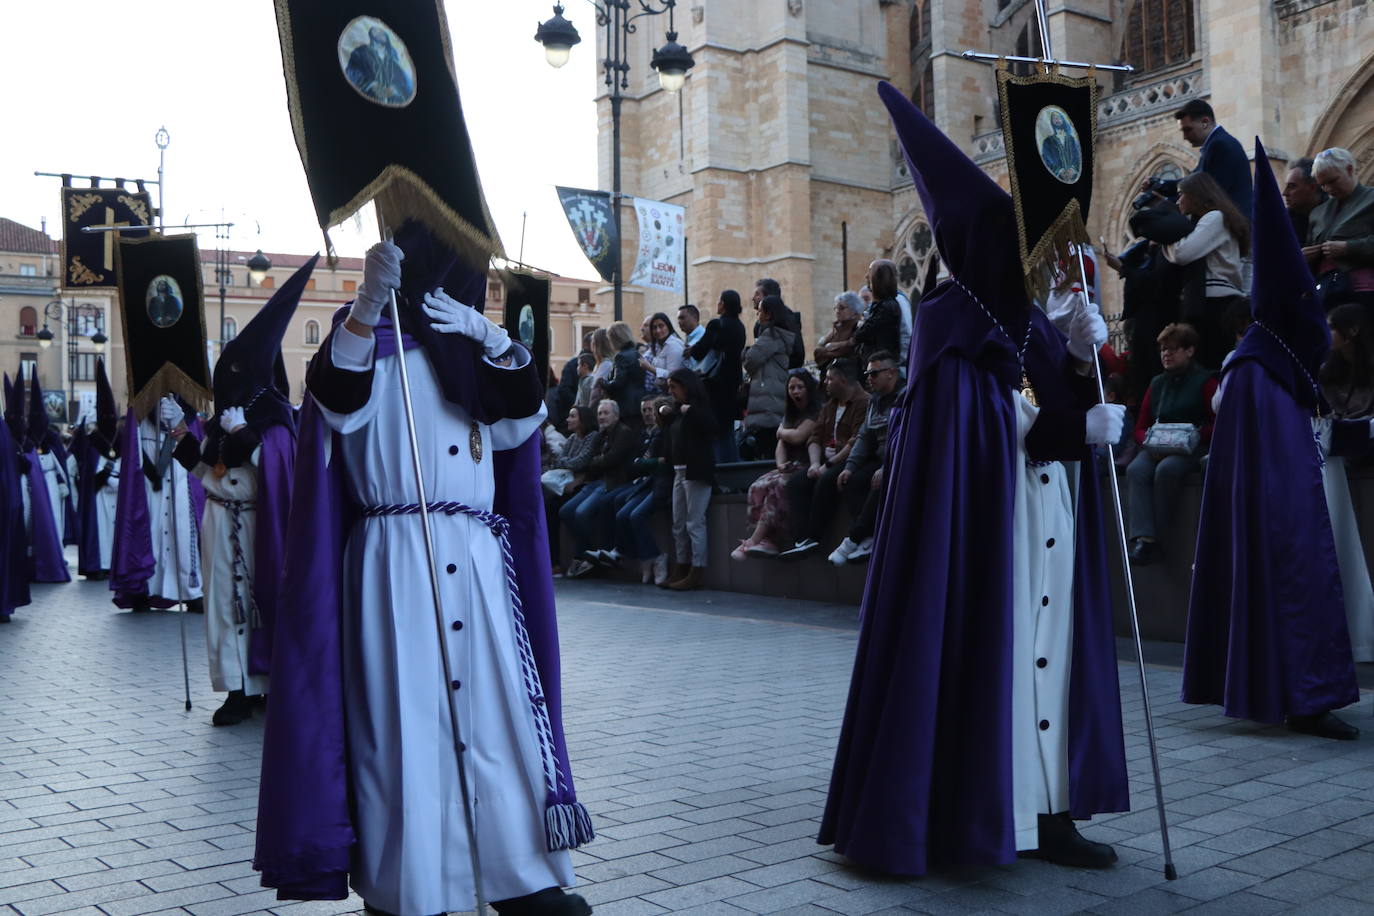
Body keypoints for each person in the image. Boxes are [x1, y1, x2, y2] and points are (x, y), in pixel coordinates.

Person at [821, 83, 1128, 876]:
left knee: (1051, 658)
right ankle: (982, 809)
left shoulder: (1023, 318)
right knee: (1003, 651)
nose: (1038, 260)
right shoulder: (952, 326)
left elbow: (1051, 399)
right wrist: (1070, 423)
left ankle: (1048, 811)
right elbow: (988, 425)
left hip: (1049, 511)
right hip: (1000, 525)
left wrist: (1080, 353)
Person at [254, 227, 592, 915]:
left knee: (498, 723)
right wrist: (365, 309)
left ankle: (517, 873)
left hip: (474, 558)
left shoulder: (472, 356)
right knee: (403, 729)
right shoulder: (365, 346)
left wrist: (495, 340)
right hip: (394, 561)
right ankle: (410, 888)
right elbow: (336, 401)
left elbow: (520, 424)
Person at [1185, 138, 1369, 741]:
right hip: (1282, 531)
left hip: (1278, 519)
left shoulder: (1267, 366)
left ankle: (1289, 687)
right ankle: (1305, 695)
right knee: (1299, 564)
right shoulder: (1258, 375)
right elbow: (1284, 512)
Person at [170, 258, 313, 726]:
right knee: (221, 606)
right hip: (219, 519)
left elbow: (282, 470)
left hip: (259, 522)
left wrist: (249, 436)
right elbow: (210, 471)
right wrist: (182, 438)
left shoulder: (274, 417)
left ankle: (267, 683)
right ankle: (235, 688)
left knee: (260, 601)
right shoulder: (223, 417)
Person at [1124, 323, 1217, 564]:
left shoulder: (1205, 382)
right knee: (1136, 470)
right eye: (1163, 350)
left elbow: (1217, 421)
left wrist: (1195, 436)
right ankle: (1144, 537)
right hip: (1158, 447)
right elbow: (1141, 425)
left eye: (1173, 349)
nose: (1166, 354)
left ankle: (1162, 532)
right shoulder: (1157, 384)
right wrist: (1150, 443)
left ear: (1189, 350)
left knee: (1168, 470)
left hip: (1192, 447)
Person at [110, 393, 203, 610]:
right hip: (148, 486)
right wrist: (151, 471)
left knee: (182, 533)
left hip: (181, 482)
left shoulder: (187, 415)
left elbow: (197, 451)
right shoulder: (140, 415)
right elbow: (133, 453)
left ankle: (191, 591)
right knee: (150, 533)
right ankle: (144, 589)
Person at [1321, 304, 1374, 663]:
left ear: (1352, 331)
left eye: (1332, 328)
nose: (1327, 335)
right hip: (1342, 450)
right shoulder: (1329, 370)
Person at [777, 359, 869, 559]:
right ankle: (802, 540)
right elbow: (815, 436)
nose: (825, 383)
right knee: (796, 483)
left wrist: (828, 464)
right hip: (825, 461)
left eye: (829, 379)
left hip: (850, 460)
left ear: (842, 381)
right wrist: (816, 463)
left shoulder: (864, 402)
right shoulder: (829, 406)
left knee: (827, 480)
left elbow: (855, 442)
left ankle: (814, 536)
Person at [1161, 171, 1251, 370]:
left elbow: (1183, 253)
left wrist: (1165, 240)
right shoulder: (1210, 219)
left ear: (1196, 195)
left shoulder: (1215, 218)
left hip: (1217, 303)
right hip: (1209, 301)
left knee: (1211, 366)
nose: (1178, 200)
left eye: (1181, 194)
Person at [732, 370, 820, 560]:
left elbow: (798, 436)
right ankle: (766, 540)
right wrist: (780, 464)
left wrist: (781, 432)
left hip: (809, 464)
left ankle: (755, 540)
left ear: (809, 389)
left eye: (800, 387)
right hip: (790, 465)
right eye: (791, 387)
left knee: (778, 487)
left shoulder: (816, 411)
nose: (795, 391)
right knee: (757, 486)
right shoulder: (790, 414)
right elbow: (782, 444)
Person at [829, 352, 904, 565]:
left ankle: (853, 539)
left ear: (891, 373)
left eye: (874, 373)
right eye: (867, 373)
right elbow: (864, 436)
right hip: (880, 458)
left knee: (879, 483)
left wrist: (887, 467)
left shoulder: (906, 396)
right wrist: (850, 467)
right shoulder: (874, 401)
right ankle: (870, 537)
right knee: (850, 481)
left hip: (900, 458)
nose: (869, 378)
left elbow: (906, 435)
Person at [560, 399, 639, 579]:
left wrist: (598, 461)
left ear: (616, 415)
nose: (602, 417)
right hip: (594, 482)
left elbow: (609, 460)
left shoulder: (624, 433)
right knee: (566, 511)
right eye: (600, 413)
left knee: (581, 513)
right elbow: (591, 461)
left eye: (606, 413)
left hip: (611, 483)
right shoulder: (600, 435)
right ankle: (591, 551)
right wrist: (598, 461)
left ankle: (585, 556)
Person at [658, 368, 716, 590]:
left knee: (694, 522)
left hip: (695, 471)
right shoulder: (678, 411)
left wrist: (688, 411)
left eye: (674, 387)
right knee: (678, 523)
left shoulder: (698, 409)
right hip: (679, 471)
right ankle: (682, 566)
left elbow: (711, 427)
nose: (671, 392)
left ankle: (697, 570)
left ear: (686, 386)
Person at [1149, 99, 1252, 216]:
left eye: (1188, 130)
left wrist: (1166, 204)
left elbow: (1209, 193)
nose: (1185, 137)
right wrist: (1161, 185)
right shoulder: (1214, 144)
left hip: (1231, 226)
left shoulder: (1219, 145)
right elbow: (1192, 183)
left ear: (1205, 123)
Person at [609, 396, 673, 583]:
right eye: (644, 410)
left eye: (651, 410)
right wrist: (647, 463)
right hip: (647, 483)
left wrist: (645, 463)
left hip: (662, 484)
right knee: (622, 514)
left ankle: (655, 557)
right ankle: (644, 556)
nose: (648, 414)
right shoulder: (646, 434)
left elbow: (663, 463)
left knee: (636, 515)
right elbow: (635, 465)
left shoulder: (665, 432)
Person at [1304, 147, 1374, 313]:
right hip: (1325, 293)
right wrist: (1303, 256)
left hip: (1363, 295)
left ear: (1349, 169)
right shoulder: (1318, 212)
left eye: (1332, 181)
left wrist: (1349, 248)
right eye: (1323, 185)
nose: (1328, 189)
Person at [690, 291, 746, 463]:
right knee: (728, 430)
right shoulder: (740, 326)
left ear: (722, 304)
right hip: (734, 382)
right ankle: (732, 471)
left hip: (715, 383)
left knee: (715, 431)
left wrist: (690, 350)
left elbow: (699, 351)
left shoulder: (716, 324)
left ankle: (721, 472)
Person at [344, 24, 415, 105]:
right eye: (376, 32)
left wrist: (395, 89)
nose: (381, 34)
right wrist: (372, 85)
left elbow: (403, 77)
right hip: (368, 97)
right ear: (371, 35)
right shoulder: (361, 51)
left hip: (394, 100)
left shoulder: (392, 55)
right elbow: (351, 70)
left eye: (382, 32)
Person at [853, 261, 903, 372]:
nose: (866, 276)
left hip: (881, 369)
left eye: (870, 272)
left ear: (880, 277)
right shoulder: (880, 306)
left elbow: (862, 334)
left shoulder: (887, 307)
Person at [600, 321, 648, 426]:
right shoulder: (636, 354)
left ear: (615, 338)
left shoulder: (621, 356)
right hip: (639, 403)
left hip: (626, 406)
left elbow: (618, 383)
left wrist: (604, 384)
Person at [752, 278, 806, 369]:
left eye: (757, 294)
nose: (753, 298)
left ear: (768, 297)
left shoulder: (787, 321)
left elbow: (797, 355)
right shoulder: (759, 324)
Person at [1283, 156, 1326, 247]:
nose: (1285, 193)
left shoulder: (1337, 215)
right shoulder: (1280, 221)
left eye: (1292, 186)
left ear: (1312, 187)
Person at [814, 292, 861, 373]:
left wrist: (830, 350)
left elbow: (848, 351)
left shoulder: (858, 328)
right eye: (836, 308)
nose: (837, 311)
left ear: (854, 311)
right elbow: (818, 352)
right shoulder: (836, 328)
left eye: (841, 308)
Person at [639, 312, 685, 392]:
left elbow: (673, 374)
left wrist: (649, 367)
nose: (658, 330)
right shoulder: (660, 345)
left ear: (668, 326)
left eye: (661, 326)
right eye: (654, 327)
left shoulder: (673, 345)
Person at [678, 304, 707, 371]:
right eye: (678, 319)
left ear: (695, 317)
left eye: (682, 318)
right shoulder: (690, 339)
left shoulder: (703, 337)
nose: (679, 322)